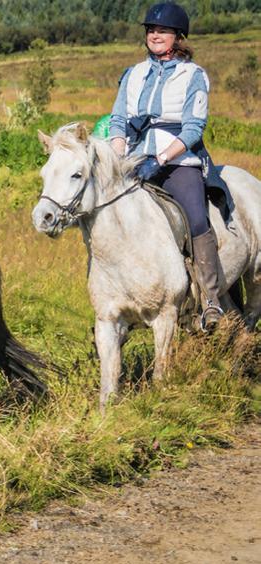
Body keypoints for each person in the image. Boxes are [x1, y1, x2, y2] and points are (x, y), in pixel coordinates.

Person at [107, 2, 223, 332]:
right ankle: (115, 297)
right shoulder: (133, 74)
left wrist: (160, 159)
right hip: (136, 157)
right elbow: (118, 120)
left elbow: (192, 130)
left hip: (178, 160)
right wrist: (119, 157)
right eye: (151, 30)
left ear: (178, 36)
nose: (155, 35)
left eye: (162, 31)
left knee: (196, 217)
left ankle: (211, 300)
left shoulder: (193, 76)